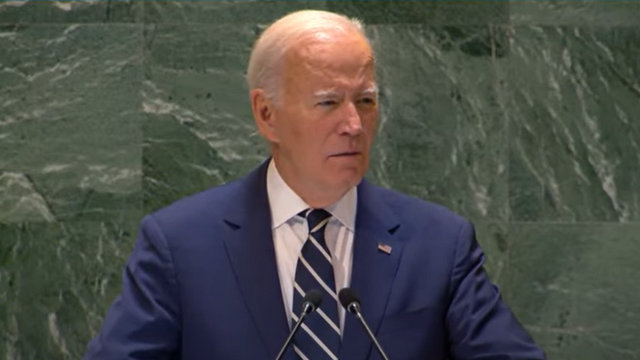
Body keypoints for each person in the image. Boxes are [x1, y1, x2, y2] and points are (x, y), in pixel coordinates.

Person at [84, 10, 545, 360]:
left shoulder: (440, 244)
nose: (353, 124)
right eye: (328, 102)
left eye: (365, 101)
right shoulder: (180, 245)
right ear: (267, 115)